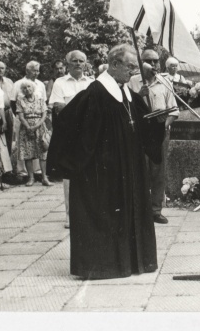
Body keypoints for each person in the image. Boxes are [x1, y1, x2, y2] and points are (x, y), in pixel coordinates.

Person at [48, 44, 161, 279]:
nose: (133, 72)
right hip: (104, 171)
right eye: (130, 67)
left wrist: (154, 120)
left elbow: (138, 125)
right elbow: (68, 125)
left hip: (127, 167)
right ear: (115, 64)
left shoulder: (126, 92)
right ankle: (105, 265)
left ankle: (130, 261)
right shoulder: (95, 94)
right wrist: (78, 163)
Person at [129, 49, 179, 225]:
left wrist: (163, 125)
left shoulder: (165, 82)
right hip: (140, 135)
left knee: (158, 171)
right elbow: (125, 109)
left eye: (156, 61)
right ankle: (140, 210)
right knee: (139, 172)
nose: (153, 64)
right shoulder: (132, 82)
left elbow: (173, 110)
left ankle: (156, 210)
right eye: (149, 61)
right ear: (141, 64)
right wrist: (138, 96)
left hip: (159, 133)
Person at [48, 50, 93, 228]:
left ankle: (88, 213)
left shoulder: (92, 82)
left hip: (88, 134)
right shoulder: (60, 83)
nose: (78, 64)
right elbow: (59, 107)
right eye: (74, 61)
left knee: (89, 174)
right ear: (68, 63)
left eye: (81, 61)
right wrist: (82, 113)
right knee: (70, 176)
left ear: (85, 63)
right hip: (69, 135)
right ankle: (70, 215)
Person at [11, 61, 48, 177]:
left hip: (38, 120)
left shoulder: (40, 84)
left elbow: (44, 103)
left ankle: (38, 172)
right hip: (22, 118)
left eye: (38, 70)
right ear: (27, 71)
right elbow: (13, 102)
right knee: (23, 146)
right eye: (34, 71)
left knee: (40, 144)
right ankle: (22, 172)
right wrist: (21, 117)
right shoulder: (18, 84)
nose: (37, 73)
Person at [15, 79, 52, 187]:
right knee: (28, 153)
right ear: (22, 90)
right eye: (24, 88)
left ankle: (44, 178)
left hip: (40, 127)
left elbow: (44, 114)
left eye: (29, 87)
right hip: (26, 128)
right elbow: (21, 116)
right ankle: (31, 178)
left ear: (33, 88)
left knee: (42, 152)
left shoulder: (40, 99)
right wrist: (28, 127)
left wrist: (36, 126)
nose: (27, 89)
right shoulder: (20, 100)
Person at [0, 61, 15, 160]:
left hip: (8, 111)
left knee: (9, 138)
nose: (1, 70)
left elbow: (13, 98)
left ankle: (8, 165)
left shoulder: (9, 82)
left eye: (3, 68)